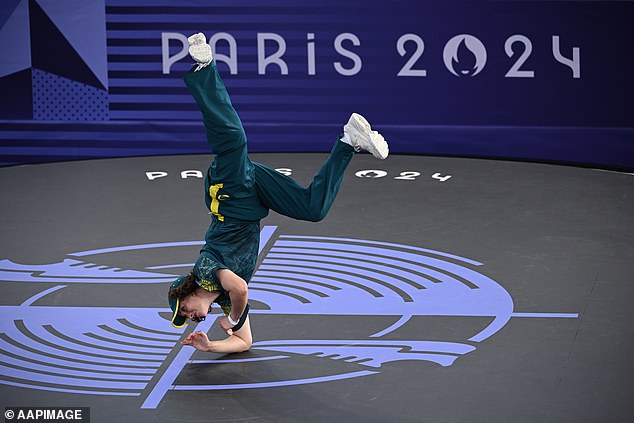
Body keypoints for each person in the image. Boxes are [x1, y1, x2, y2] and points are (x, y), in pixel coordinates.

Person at [168, 33, 389, 354]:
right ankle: (348, 140)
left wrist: (233, 316)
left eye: (183, 309)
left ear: (187, 291)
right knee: (313, 208)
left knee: (233, 139)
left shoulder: (204, 271)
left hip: (230, 200)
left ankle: (204, 69)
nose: (190, 316)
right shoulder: (226, 299)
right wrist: (211, 345)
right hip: (253, 200)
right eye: (187, 319)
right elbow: (244, 342)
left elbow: (241, 288)